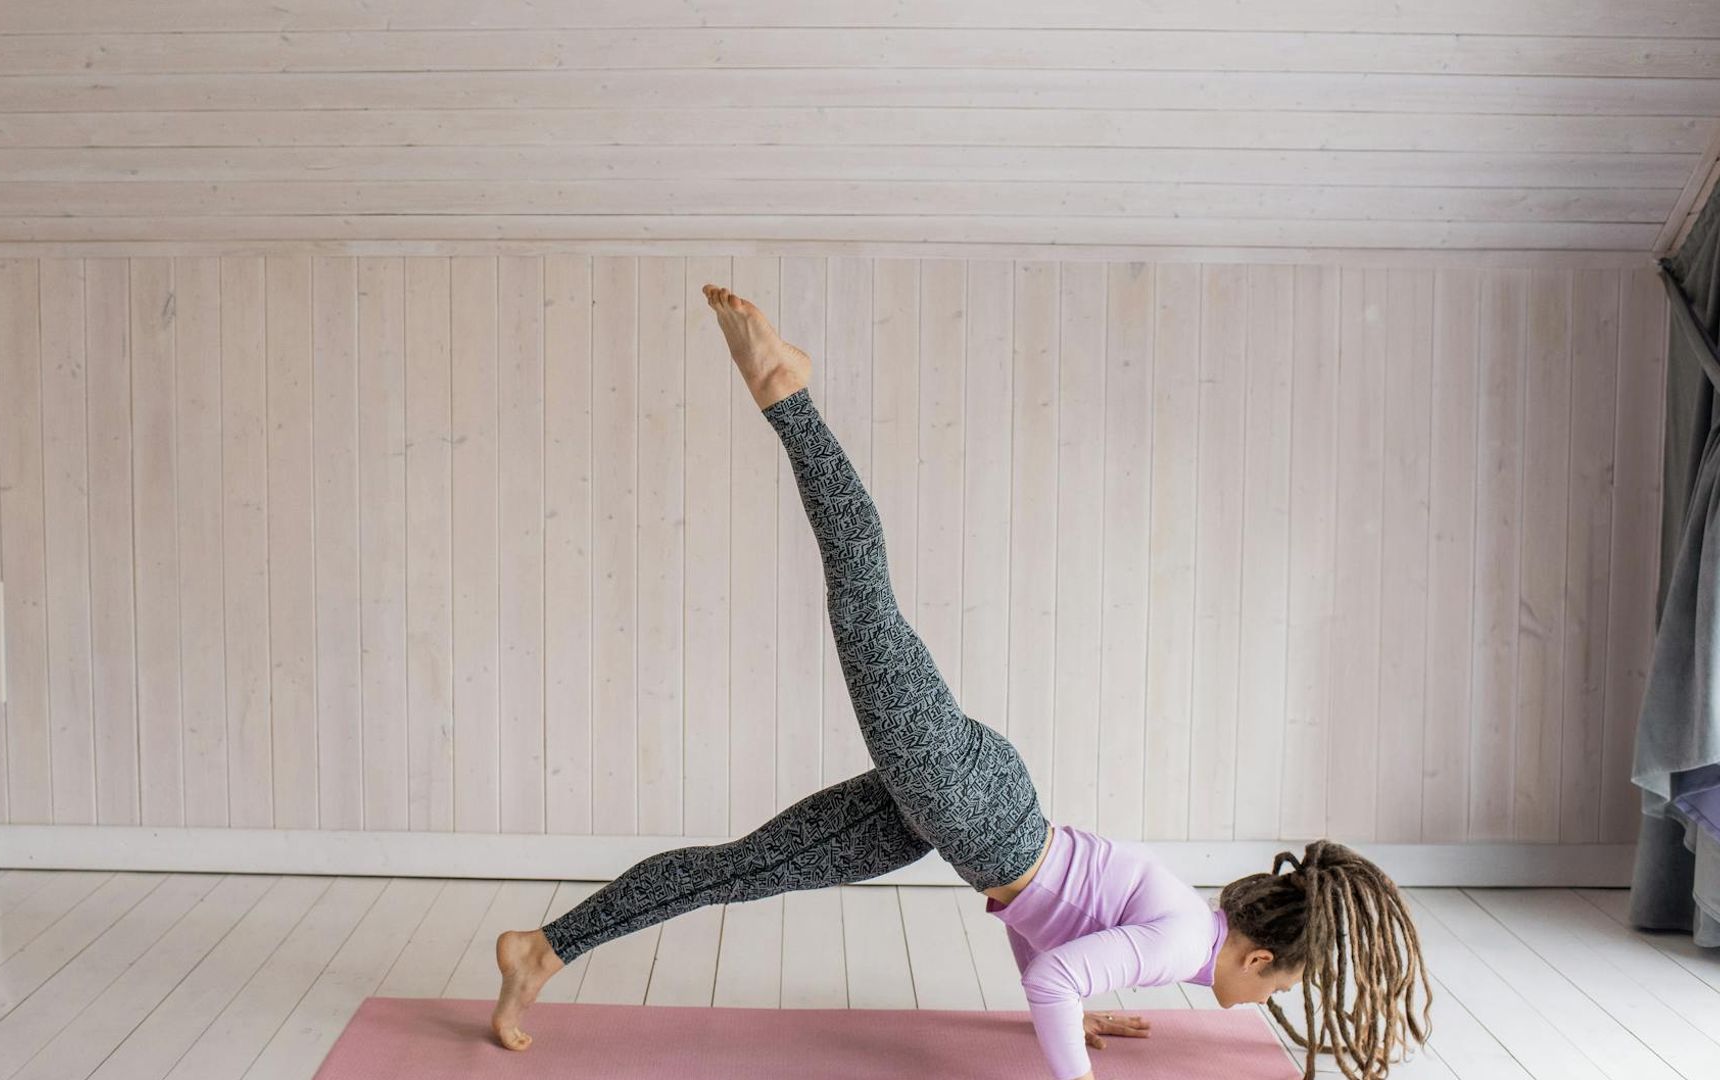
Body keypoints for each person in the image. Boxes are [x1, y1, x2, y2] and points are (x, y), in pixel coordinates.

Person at [488, 283, 1433, 1080]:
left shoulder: (1188, 927)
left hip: (959, 817)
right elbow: (1054, 979)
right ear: (1259, 956)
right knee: (863, 592)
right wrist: (1074, 1040)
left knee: (746, 867)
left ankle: (541, 950)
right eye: (1278, 988)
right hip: (970, 806)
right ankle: (788, 396)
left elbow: (1049, 935)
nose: (1264, 1001)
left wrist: (1082, 1008)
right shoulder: (1185, 945)